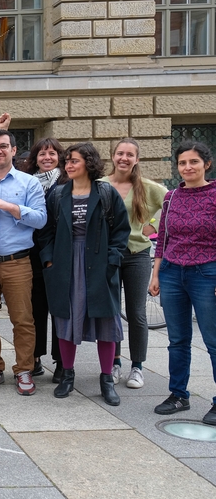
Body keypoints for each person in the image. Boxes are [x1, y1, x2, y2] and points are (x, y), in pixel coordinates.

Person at [38, 143, 130, 406]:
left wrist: (112, 261)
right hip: (65, 264)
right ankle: (67, 375)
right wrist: (49, 262)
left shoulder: (105, 193)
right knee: (66, 320)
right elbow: (45, 232)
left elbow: (121, 231)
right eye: (66, 160)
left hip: (99, 264)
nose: (68, 164)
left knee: (106, 323)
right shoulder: (57, 194)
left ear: (88, 163)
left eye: (74, 160)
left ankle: (106, 380)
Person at [0, 129, 47, 396]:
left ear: (14, 150)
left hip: (17, 262)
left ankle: (24, 369)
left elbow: (40, 219)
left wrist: (10, 207)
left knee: (23, 320)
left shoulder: (29, 183)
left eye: (3, 146)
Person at [150, 141, 216, 424]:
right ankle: (178, 394)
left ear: (206, 164)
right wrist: (155, 274)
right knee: (177, 340)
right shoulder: (172, 198)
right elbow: (162, 237)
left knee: (213, 341)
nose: (187, 167)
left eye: (193, 162)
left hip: (207, 273)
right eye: (182, 163)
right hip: (172, 272)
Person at [103, 138, 166, 389]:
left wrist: (153, 226)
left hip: (137, 254)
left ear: (136, 159)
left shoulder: (149, 187)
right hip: (108, 256)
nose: (124, 158)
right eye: (120, 153)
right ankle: (114, 361)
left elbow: (173, 206)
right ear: (113, 157)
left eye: (130, 155)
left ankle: (137, 366)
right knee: (111, 311)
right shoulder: (101, 185)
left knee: (136, 313)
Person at [22, 137, 69, 382]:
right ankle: (35, 358)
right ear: (35, 158)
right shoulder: (27, 182)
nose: (47, 158)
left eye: (51, 153)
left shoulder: (68, 181)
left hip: (60, 254)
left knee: (59, 310)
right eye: (42, 154)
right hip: (32, 253)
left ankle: (62, 361)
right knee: (35, 310)